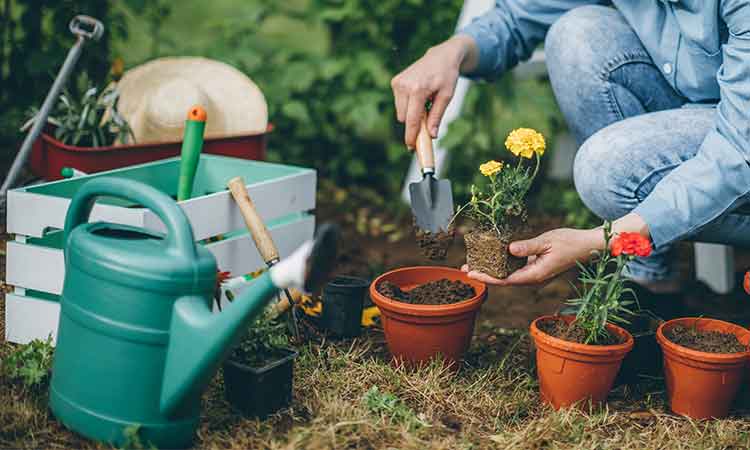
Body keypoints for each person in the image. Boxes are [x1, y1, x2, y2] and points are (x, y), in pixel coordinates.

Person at [391, 1, 750, 313]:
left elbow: (737, 154)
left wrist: (601, 242)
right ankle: (648, 283)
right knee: (576, 33)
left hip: (739, 135)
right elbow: (520, 18)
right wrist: (452, 51)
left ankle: (659, 261)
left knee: (607, 169)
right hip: (701, 105)